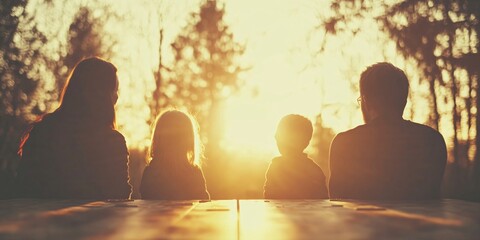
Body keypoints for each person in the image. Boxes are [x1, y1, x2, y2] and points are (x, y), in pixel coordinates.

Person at [15, 57, 132, 199]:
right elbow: (119, 195)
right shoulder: (111, 142)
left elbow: (22, 186)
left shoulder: (41, 131)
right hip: (95, 220)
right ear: (103, 96)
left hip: (31, 219)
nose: (117, 97)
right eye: (114, 90)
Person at [329, 62, 447, 200]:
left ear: (366, 101)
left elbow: (337, 201)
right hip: (421, 222)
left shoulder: (345, 143)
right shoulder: (432, 140)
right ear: (403, 101)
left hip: (361, 222)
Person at [140, 110, 210, 200]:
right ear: (189, 142)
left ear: (157, 139)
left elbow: (146, 202)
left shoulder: (151, 172)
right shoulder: (194, 173)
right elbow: (203, 202)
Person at [264, 114, 328, 199]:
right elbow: (323, 202)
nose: (275, 136)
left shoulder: (276, 167)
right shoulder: (315, 170)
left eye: (280, 134)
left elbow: (269, 198)